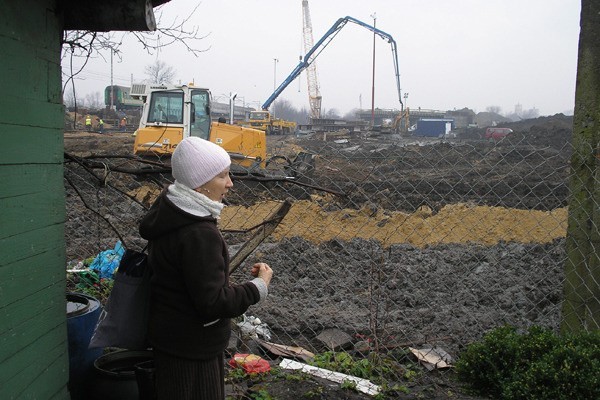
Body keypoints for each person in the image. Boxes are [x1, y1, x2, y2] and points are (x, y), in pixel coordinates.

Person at [139, 136, 273, 400]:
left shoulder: (171, 212)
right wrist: (259, 287)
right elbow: (213, 303)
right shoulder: (199, 234)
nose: (231, 183)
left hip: (170, 336)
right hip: (192, 346)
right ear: (200, 185)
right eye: (223, 176)